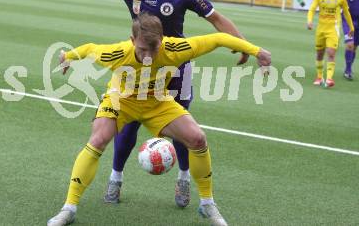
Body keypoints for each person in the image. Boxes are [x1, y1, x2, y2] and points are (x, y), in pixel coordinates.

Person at [45, 0, 249, 208]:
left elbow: (216, 19)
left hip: (176, 68)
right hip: (139, 66)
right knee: (128, 123)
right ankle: (116, 178)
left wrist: (243, 45)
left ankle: (184, 178)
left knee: (184, 128)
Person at [47, 12, 271, 226]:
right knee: (97, 140)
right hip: (121, 101)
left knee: (197, 139)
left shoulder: (174, 48)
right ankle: (69, 208)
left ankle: (207, 203)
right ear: (132, 40)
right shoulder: (117, 53)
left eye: (153, 49)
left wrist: (256, 51)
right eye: (142, 49)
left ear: (162, 40)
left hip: (157, 102)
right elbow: (90, 49)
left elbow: (218, 38)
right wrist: (67, 57)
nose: (147, 56)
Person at [307, 0, 354, 87]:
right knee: (319, 54)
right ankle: (319, 77)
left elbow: (347, 13)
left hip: (333, 29)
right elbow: (312, 8)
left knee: (331, 53)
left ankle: (329, 79)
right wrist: (309, 21)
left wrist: (351, 27)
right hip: (321, 29)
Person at [341, 0, 359, 80]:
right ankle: (348, 71)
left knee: (355, 47)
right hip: (349, 21)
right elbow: (339, 3)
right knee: (350, 45)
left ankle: (349, 67)